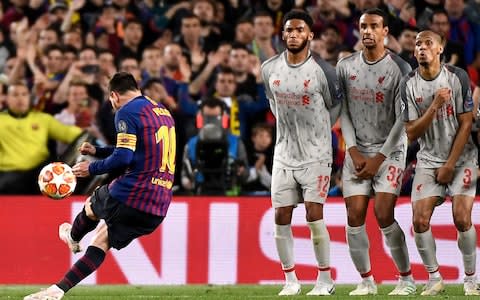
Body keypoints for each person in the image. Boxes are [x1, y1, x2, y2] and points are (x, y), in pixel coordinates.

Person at [23, 72, 176, 300]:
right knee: (101, 239)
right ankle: (57, 291)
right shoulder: (162, 112)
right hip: (158, 205)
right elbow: (135, 151)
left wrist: (91, 168)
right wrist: (98, 152)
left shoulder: (126, 111)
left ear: (114, 96)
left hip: (133, 192)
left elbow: (124, 159)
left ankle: (73, 237)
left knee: (92, 204)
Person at [261, 10, 342, 296]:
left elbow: (336, 107)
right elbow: (272, 102)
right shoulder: (269, 68)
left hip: (316, 154)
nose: (293, 34)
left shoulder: (324, 70)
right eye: (289, 30)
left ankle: (324, 279)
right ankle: (290, 280)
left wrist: (318, 132)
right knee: (281, 215)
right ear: (282, 35)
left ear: (310, 35)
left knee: (313, 213)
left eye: (299, 30)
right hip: (283, 153)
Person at [336, 8, 416, 296]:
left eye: (374, 26)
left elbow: (402, 121)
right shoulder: (345, 67)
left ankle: (406, 279)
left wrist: (378, 159)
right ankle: (366, 281)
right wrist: (354, 152)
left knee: (383, 213)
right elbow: (343, 112)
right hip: (358, 148)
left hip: (390, 148)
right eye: (363, 26)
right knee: (354, 213)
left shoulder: (401, 69)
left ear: (385, 32)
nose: (367, 31)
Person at [402, 30, 480, 296]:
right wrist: (434, 105)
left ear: (439, 49)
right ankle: (434, 277)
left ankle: (470, 278)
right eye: (417, 44)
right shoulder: (409, 83)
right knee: (419, 220)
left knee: (461, 217)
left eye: (428, 43)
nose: (422, 47)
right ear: (414, 52)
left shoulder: (457, 77)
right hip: (427, 158)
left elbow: (467, 122)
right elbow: (411, 132)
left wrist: (450, 164)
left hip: (463, 157)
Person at [0, 82, 82, 195]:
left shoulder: (43, 119)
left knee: (64, 178)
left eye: (24, 94)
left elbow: (69, 133)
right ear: (7, 99)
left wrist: (88, 136)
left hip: (41, 172)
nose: (20, 98)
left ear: (29, 97)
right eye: (15, 95)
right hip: (10, 172)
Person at [181, 98, 249, 195]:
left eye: (216, 118)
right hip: (199, 195)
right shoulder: (191, 144)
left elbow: (246, 174)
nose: (211, 123)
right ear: (200, 118)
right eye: (207, 118)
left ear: (224, 119)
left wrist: (240, 172)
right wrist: (188, 180)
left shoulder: (236, 142)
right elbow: (184, 174)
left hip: (229, 196)